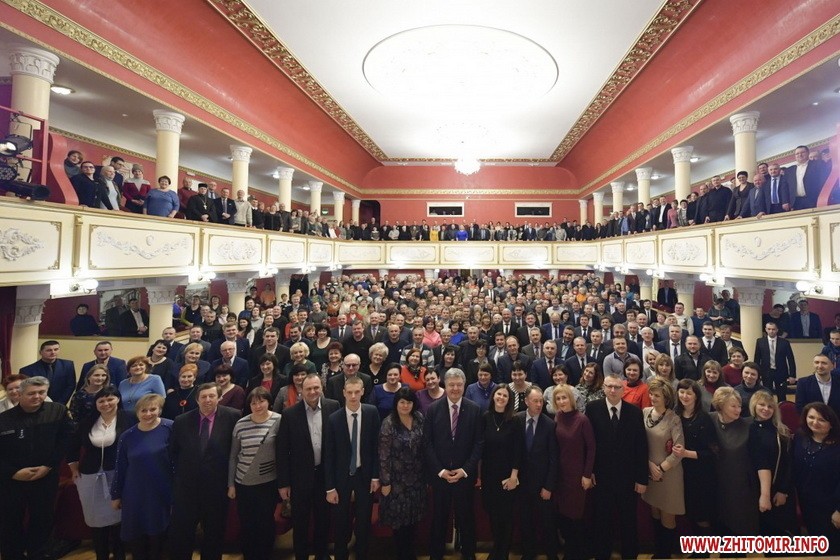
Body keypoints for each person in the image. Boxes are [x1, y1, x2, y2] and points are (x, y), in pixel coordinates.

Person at [0, 377, 74, 560]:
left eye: (42, 392)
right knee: (10, 520)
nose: (37, 397)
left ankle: (38, 554)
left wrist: (48, 466)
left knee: (42, 519)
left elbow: (64, 441)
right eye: (31, 393)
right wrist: (13, 473)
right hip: (11, 480)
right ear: (20, 394)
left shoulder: (58, 411)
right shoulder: (4, 419)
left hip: (45, 476)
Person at [168, 382, 240, 560]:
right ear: (197, 399)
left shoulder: (233, 416)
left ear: (219, 398)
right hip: (187, 489)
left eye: (212, 396)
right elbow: (173, 452)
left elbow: (236, 451)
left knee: (214, 534)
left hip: (217, 488)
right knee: (182, 534)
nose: (207, 400)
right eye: (203, 397)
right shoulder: (181, 421)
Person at [276, 374, 340, 560]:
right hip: (299, 478)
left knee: (323, 519)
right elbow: (282, 450)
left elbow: (338, 444)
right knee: (300, 522)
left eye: (316, 388)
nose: (313, 392)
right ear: (301, 391)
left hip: (325, 476)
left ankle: (322, 554)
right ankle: (301, 556)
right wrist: (283, 483)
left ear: (322, 388)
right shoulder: (289, 414)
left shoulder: (333, 406)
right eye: (308, 389)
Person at [67, 386, 135, 560]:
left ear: (118, 399)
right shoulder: (87, 422)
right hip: (90, 477)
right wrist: (74, 469)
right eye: (101, 400)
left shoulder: (129, 417)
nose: (106, 403)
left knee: (118, 517)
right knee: (96, 519)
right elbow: (72, 446)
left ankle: (119, 554)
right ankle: (101, 554)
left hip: (118, 475)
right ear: (96, 404)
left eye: (110, 399)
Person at [585, 373, 648, 560]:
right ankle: (602, 553)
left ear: (623, 389)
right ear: (603, 388)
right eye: (609, 386)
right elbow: (588, 444)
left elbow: (641, 446)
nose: (612, 390)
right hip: (601, 477)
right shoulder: (592, 409)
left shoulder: (634, 412)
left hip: (627, 477)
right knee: (602, 518)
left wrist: (642, 478)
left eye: (617, 387)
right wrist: (590, 471)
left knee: (628, 518)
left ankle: (630, 554)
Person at [424, 368, 484, 560]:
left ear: (464, 385)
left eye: (459, 384)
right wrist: (440, 470)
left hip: (464, 476)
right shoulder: (433, 409)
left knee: (467, 519)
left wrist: (465, 470)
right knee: (439, 519)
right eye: (451, 385)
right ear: (445, 385)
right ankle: (436, 555)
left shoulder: (474, 409)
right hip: (440, 476)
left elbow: (479, 444)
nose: (455, 388)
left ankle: (468, 554)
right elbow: (427, 443)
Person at [110, 393, 173, 560]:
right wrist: (116, 495)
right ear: (137, 412)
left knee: (159, 535)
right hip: (134, 493)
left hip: (161, 491)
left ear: (160, 410)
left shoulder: (170, 428)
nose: (148, 414)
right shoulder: (127, 436)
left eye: (153, 409)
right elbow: (120, 467)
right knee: (136, 535)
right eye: (143, 410)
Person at [325, 376, 381, 560]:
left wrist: (375, 476)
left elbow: (376, 447)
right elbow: (329, 456)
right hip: (342, 477)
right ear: (344, 393)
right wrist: (330, 487)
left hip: (364, 475)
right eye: (349, 392)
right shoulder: (334, 419)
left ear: (363, 391)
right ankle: (341, 555)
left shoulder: (371, 412)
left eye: (357, 392)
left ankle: (362, 554)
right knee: (340, 520)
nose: (353, 396)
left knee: (363, 520)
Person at [227, 387, 281, 560]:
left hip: (268, 482)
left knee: (266, 522)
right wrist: (231, 484)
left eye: (261, 401)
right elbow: (233, 456)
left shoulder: (279, 420)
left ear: (269, 402)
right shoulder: (241, 424)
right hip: (243, 483)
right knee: (247, 523)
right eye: (253, 403)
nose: (257, 406)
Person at [378, 387, 426, 560]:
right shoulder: (389, 423)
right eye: (402, 402)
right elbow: (384, 456)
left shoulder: (419, 418)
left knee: (413, 520)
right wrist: (385, 482)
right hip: (397, 483)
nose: (406, 406)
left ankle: (410, 554)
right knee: (400, 524)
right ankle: (402, 555)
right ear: (396, 403)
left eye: (409, 402)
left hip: (417, 480)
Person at [642, 378, 685, 558]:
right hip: (650, 472)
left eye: (657, 395)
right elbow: (640, 443)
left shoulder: (673, 419)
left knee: (667, 516)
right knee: (655, 512)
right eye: (651, 394)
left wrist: (660, 469)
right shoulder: (645, 412)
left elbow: (678, 451)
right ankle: (658, 550)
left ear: (666, 398)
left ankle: (666, 553)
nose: (652, 398)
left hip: (669, 475)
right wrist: (649, 465)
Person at [481, 383, 523, 560]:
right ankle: (496, 548)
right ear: (493, 396)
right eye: (499, 394)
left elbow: (518, 450)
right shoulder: (485, 417)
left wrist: (514, 476)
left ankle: (503, 552)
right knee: (493, 514)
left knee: (506, 516)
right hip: (489, 475)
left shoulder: (515, 420)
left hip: (507, 476)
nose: (501, 398)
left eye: (505, 396)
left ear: (509, 400)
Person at [673, 379, 718, 541]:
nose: (684, 396)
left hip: (700, 473)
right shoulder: (674, 414)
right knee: (689, 511)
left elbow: (712, 453)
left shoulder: (703, 418)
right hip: (680, 471)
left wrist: (687, 453)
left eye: (689, 393)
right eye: (682, 392)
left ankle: (704, 548)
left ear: (696, 396)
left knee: (701, 513)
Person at [552, 384, 594, 560]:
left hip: (577, 477)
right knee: (564, 517)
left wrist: (587, 474)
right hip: (561, 476)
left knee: (576, 516)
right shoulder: (557, 417)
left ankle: (578, 553)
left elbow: (591, 448)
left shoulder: (582, 419)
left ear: (571, 398)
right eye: (558, 399)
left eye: (564, 397)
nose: (562, 401)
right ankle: (570, 552)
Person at [711, 386, 759, 535]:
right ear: (721, 405)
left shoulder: (749, 425)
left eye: (739, 406)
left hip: (742, 486)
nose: (738, 410)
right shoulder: (710, 419)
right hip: (718, 484)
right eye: (733, 406)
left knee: (742, 525)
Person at [792, 403, 840, 555]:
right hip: (807, 503)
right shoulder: (800, 437)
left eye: (821, 420)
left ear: (831, 423)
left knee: (832, 547)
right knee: (817, 544)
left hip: (831, 507)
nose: (814, 422)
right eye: (811, 417)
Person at [748, 390, 796, 537]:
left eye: (770, 406)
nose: (766, 409)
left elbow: (789, 463)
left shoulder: (781, 431)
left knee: (780, 532)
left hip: (778, 489)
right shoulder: (748, 428)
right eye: (762, 405)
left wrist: (783, 490)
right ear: (754, 405)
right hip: (753, 489)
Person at [20, 340, 77, 405]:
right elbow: (27, 390)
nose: (53, 352)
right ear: (40, 352)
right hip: (37, 404)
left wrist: (60, 404)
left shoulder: (68, 365)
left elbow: (71, 385)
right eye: (49, 350)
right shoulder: (27, 370)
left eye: (56, 349)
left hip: (60, 404)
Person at [796, 353, 840, 419]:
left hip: (836, 423)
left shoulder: (838, 382)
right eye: (816, 362)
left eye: (824, 363)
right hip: (813, 423)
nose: (820, 366)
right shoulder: (803, 383)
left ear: (833, 366)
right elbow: (800, 407)